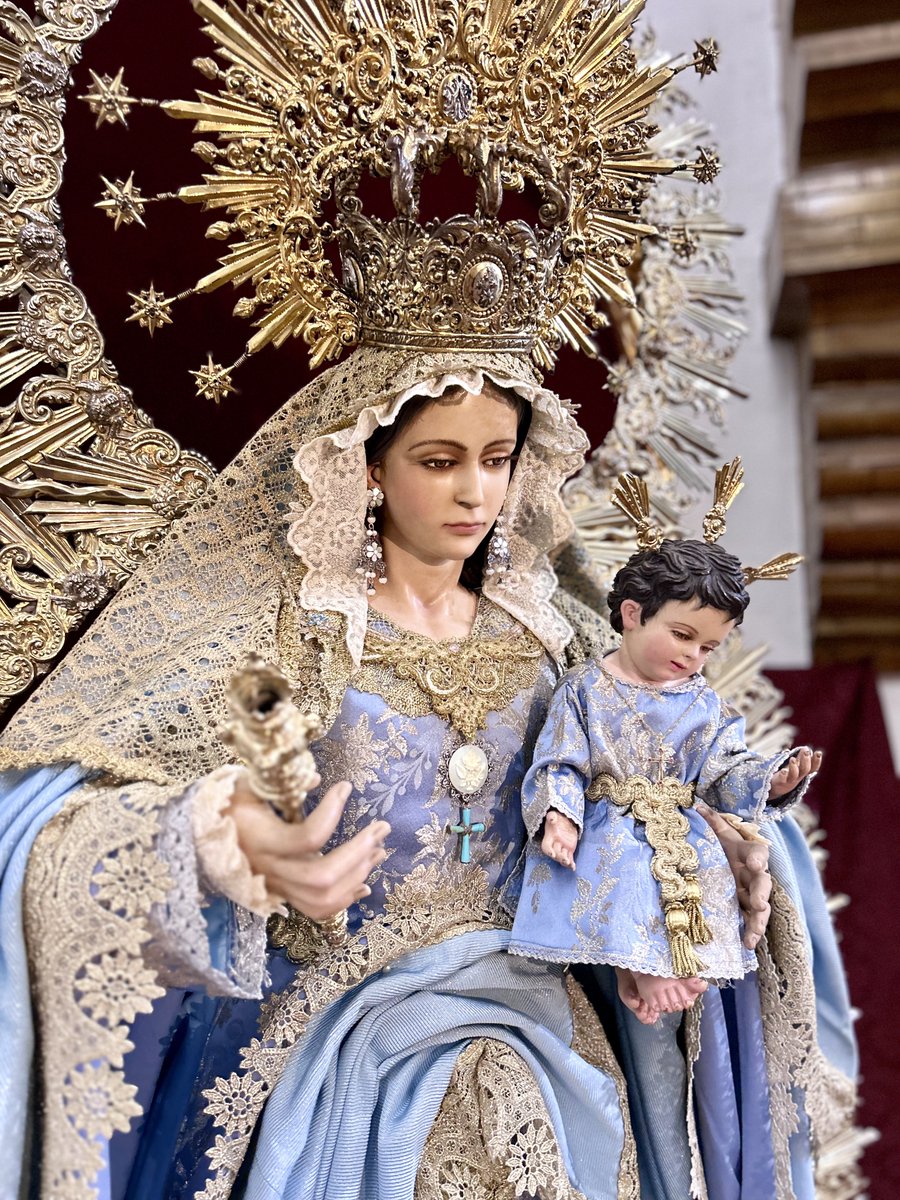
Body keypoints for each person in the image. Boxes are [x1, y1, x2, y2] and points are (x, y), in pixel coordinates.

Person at [508, 536, 822, 1027]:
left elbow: (724, 770)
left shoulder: (703, 703)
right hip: (610, 822)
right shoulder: (585, 688)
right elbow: (560, 761)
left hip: (678, 826)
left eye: (708, 647)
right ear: (633, 613)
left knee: (702, 872)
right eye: (682, 634)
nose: (693, 655)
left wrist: (770, 780)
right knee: (629, 869)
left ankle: (652, 970)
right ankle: (644, 971)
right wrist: (560, 816)